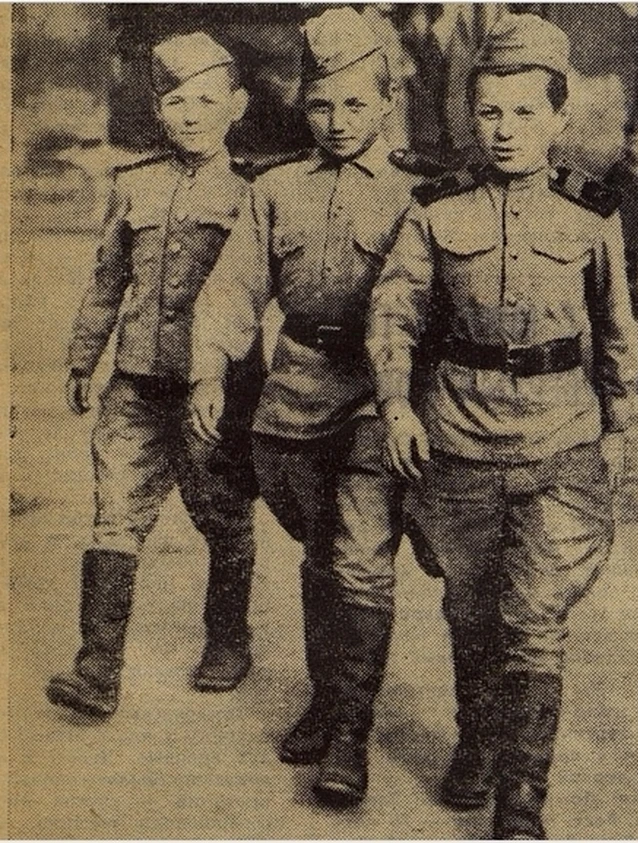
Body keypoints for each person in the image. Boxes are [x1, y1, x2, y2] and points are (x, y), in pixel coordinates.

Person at [366, 14, 638, 838]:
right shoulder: (434, 207)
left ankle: (522, 792)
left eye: (525, 112)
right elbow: (394, 311)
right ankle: (478, 740)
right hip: (459, 436)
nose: (506, 129)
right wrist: (395, 402)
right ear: (470, 116)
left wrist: (618, 425)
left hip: (561, 438)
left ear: (559, 116)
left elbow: (616, 327)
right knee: (470, 609)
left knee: (535, 619)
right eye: (490, 112)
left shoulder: (592, 211)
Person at [190, 8, 419, 808]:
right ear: (303, 105)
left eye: (356, 103)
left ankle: (351, 731)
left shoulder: (420, 193)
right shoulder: (276, 189)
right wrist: (209, 370)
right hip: (294, 393)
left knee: (359, 557)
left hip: (377, 395)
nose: (338, 120)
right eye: (322, 104)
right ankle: (328, 698)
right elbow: (233, 287)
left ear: (386, 102)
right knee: (322, 554)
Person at [46, 32, 262, 719]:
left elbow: (262, 293)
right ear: (157, 109)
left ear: (237, 106)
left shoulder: (254, 194)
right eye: (176, 102)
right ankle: (97, 668)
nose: (190, 115)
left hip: (215, 391)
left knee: (222, 516)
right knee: (114, 515)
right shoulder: (134, 185)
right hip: (136, 384)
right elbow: (107, 281)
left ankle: (228, 639)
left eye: (206, 101)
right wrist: (84, 357)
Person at [605, 115, 638, 317]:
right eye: (634, 142)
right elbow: (605, 199)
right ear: (627, 143)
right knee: (620, 271)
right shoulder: (618, 171)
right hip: (622, 230)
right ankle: (619, 308)